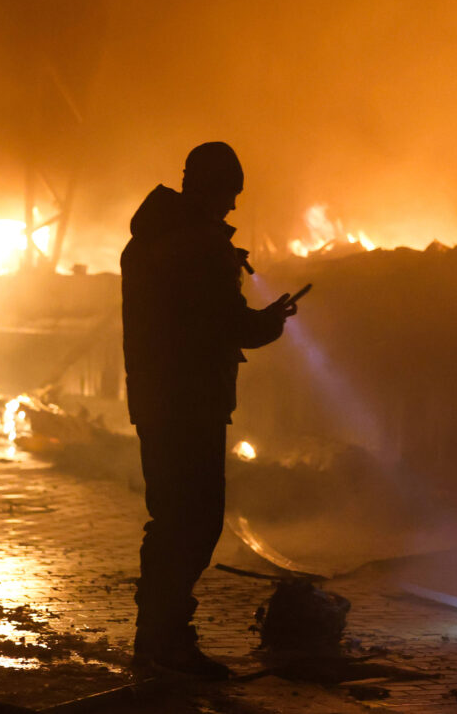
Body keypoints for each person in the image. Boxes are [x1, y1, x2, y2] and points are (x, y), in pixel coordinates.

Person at [121, 141, 296, 678]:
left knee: (171, 519)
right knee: (194, 523)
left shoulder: (151, 239)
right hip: (190, 403)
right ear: (212, 188)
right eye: (230, 194)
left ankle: (157, 640)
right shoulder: (197, 247)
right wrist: (270, 322)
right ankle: (167, 644)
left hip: (158, 399)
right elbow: (221, 322)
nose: (233, 208)